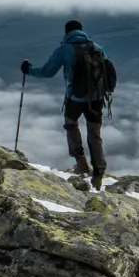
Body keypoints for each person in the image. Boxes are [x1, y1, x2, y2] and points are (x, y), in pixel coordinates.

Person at [21, 19, 115, 189]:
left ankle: (81, 161)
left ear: (67, 33)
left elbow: (47, 72)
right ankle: (99, 173)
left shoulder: (64, 49)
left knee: (71, 124)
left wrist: (28, 69)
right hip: (97, 98)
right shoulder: (96, 47)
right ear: (82, 31)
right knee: (95, 134)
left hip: (75, 98)